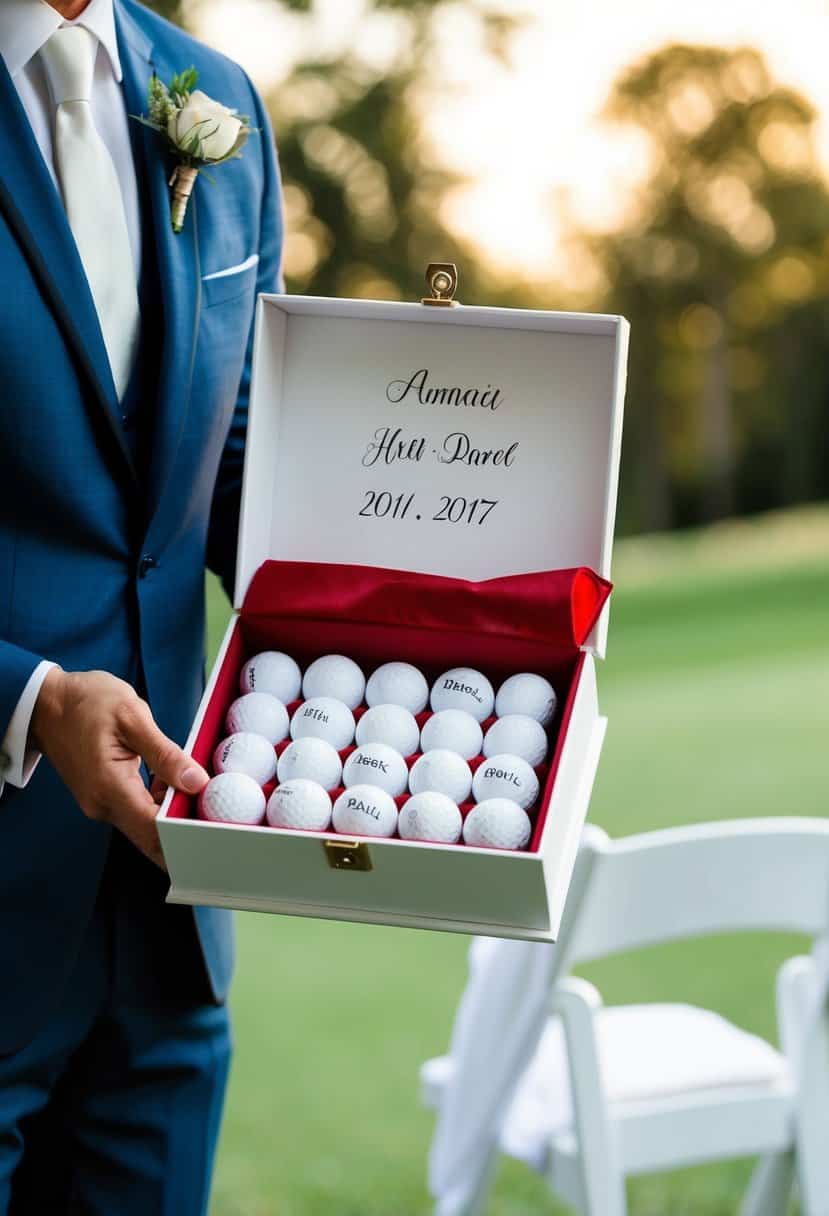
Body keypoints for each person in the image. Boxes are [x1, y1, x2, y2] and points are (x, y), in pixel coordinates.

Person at [0, 0, 283, 1209]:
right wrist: (26, 696)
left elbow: (234, 461)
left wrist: (429, 581)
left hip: (172, 903)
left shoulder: (217, 95)